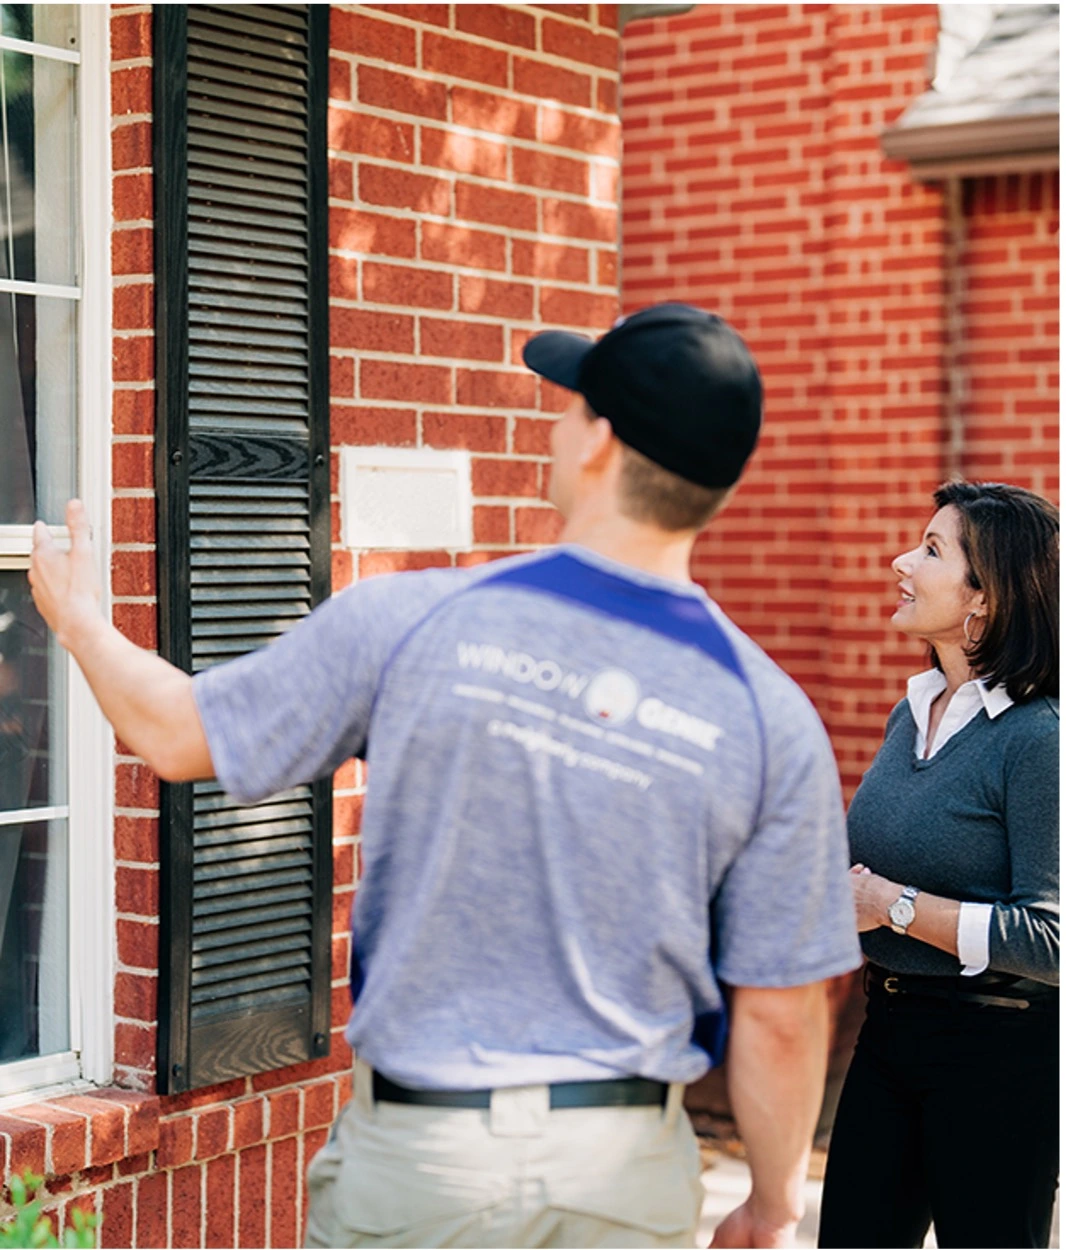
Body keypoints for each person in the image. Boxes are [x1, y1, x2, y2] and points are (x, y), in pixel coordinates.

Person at [30, 302, 861, 1250]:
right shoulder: (770, 716)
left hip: (421, 1170)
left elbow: (175, 734)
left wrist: (81, 619)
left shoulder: (411, 620)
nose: (556, 424)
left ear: (598, 441)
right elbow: (785, 1013)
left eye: (569, 405)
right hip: (621, 1181)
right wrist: (773, 1201)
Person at [818, 481, 1059, 1250]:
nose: (901, 563)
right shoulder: (910, 708)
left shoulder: (1039, 737)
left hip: (1000, 1053)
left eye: (930, 550)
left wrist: (894, 906)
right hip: (886, 1029)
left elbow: (1052, 941)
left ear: (984, 597)